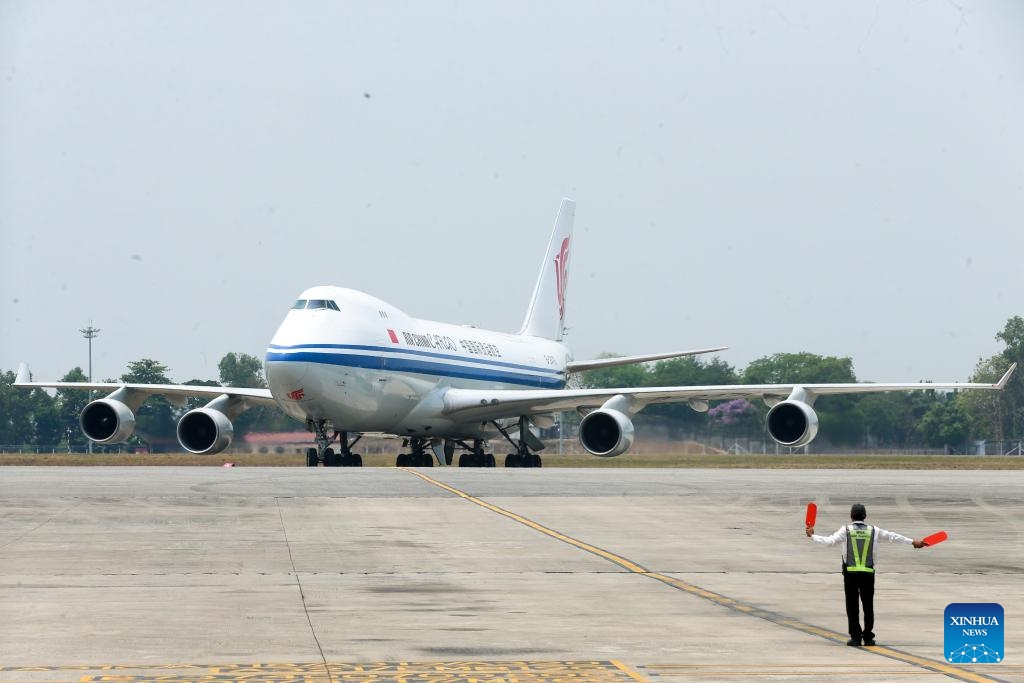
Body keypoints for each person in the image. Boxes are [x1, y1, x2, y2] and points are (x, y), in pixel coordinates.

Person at [806, 503, 925, 647]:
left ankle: (855, 637)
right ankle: (868, 637)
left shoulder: (846, 530)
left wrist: (813, 536)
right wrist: (913, 542)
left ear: (851, 516)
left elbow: (830, 541)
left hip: (850, 574)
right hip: (868, 573)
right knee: (868, 606)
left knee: (852, 606)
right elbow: (893, 537)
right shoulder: (873, 530)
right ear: (865, 517)